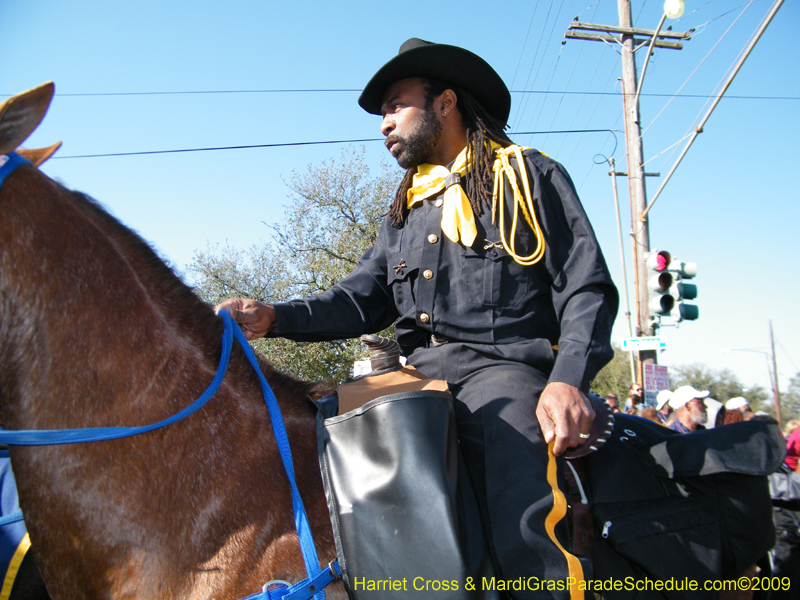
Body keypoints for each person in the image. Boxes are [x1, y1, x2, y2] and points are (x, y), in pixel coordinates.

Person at [217, 38, 618, 598]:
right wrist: (272, 317)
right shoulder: (405, 209)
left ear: (445, 102)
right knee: (318, 432)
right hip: (417, 377)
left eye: (394, 105)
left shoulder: (529, 176)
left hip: (502, 373)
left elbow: (586, 287)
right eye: (383, 112)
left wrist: (567, 381)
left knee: (512, 466)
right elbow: (358, 299)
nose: (383, 124)